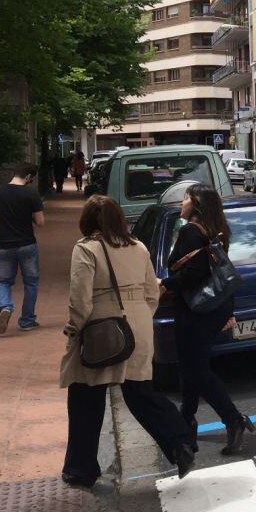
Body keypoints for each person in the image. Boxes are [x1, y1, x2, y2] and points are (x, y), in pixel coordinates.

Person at [60, 196, 194, 487]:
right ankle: (180, 441)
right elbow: (151, 292)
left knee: (84, 396)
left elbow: (80, 301)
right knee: (141, 392)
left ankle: (81, 468)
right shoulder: (138, 247)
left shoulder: (86, 249)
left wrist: (73, 329)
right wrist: (140, 318)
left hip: (101, 330)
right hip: (139, 327)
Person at [160, 184, 253, 455]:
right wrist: (229, 311)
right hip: (214, 308)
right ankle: (186, 423)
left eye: (186, 198)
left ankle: (232, 418)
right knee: (192, 367)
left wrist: (165, 283)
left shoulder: (190, 231)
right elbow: (220, 271)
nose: (182, 202)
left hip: (194, 311)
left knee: (195, 370)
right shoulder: (216, 230)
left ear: (196, 204)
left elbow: (197, 272)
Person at [0, 162, 44, 334]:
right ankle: (27, 320)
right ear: (28, 177)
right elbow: (40, 222)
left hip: (3, 245)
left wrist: (0, 236)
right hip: (26, 244)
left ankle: (5, 306)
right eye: (31, 179)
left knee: (3, 281)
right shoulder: (31, 194)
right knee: (31, 283)